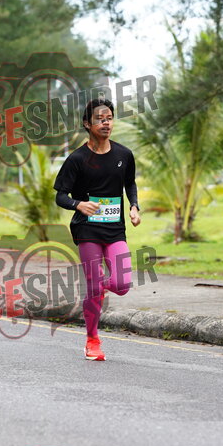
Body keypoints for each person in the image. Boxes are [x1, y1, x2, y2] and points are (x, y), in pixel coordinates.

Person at [54, 98, 141, 360]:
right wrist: (78, 204)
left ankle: (96, 287)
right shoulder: (77, 159)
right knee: (94, 288)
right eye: (100, 119)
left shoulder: (124, 155)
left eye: (109, 118)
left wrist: (134, 206)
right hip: (87, 230)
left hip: (115, 229)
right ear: (87, 124)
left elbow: (130, 184)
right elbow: (61, 196)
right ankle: (92, 340)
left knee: (122, 283)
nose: (106, 123)